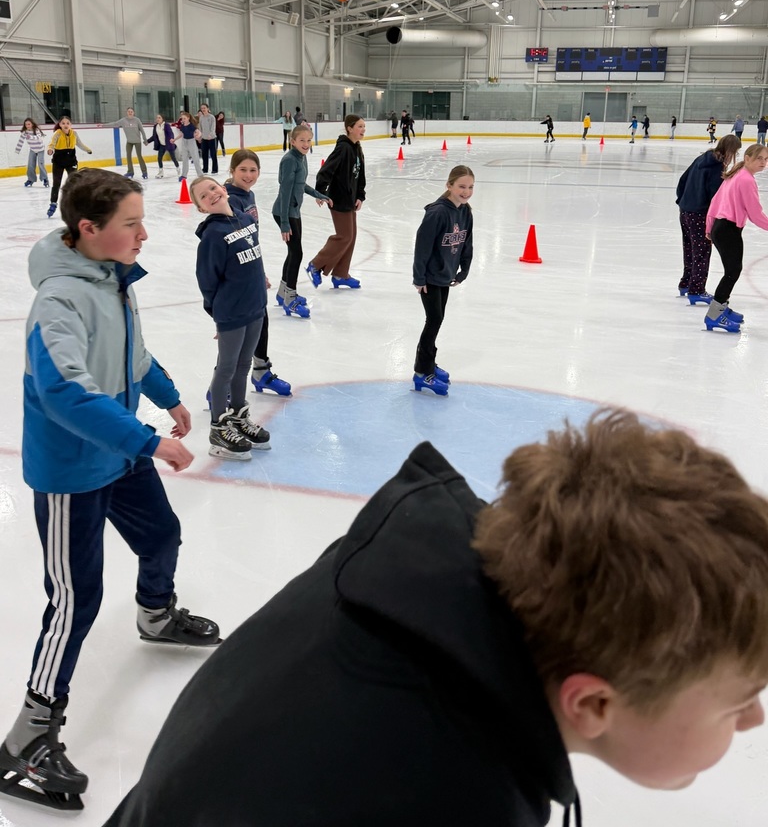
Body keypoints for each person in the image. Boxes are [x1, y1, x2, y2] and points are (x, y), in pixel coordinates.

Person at [102, 408, 768, 827]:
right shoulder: (447, 796)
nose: (754, 719)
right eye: (739, 701)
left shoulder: (400, 581)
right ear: (592, 703)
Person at [0, 169, 221, 814]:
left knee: (162, 536)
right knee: (75, 599)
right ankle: (26, 740)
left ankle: (155, 614)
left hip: (120, 449)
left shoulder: (109, 279)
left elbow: (133, 358)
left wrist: (169, 398)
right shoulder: (58, 303)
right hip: (74, 468)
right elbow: (64, 392)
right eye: (131, 223)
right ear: (89, 230)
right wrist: (149, 441)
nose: (144, 234)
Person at [190, 175, 271, 459]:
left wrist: (261, 283)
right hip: (232, 314)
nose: (211, 194)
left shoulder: (245, 220)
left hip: (256, 308)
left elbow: (254, 258)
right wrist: (218, 315)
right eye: (203, 196)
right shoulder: (212, 236)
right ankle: (218, 426)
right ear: (201, 208)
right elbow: (207, 281)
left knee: (244, 365)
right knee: (226, 368)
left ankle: (238, 415)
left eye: (212, 188)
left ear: (223, 189)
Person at [225, 150, 291, 397]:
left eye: (253, 170)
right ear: (232, 170)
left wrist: (258, 271)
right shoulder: (230, 199)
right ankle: (221, 388)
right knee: (237, 333)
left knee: (260, 323)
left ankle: (260, 371)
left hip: (251, 268)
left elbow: (250, 238)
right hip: (237, 275)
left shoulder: (247, 194)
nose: (249, 175)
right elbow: (231, 242)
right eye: (243, 170)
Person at [412, 165, 474, 396]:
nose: (466, 192)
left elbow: (467, 242)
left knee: (437, 320)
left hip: (446, 275)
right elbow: (422, 247)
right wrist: (419, 277)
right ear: (449, 185)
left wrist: (464, 269)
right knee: (434, 320)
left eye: (470, 187)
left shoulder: (465, 211)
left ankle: (428, 366)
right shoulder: (437, 213)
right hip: (430, 277)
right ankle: (421, 373)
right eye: (461, 187)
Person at [704, 143, 768, 332]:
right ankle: (714, 315)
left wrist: (710, 228)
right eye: (759, 158)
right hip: (727, 230)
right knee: (733, 272)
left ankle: (721, 307)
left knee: (732, 270)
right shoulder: (746, 179)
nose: (763, 163)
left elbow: (715, 201)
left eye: (766, 159)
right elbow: (756, 215)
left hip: (720, 228)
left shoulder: (736, 174)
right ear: (747, 158)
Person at [273, 125, 332, 318]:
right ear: (293, 141)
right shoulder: (290, 160)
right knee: (296, 254)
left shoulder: (301, 158)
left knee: (293, 253)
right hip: (286, 212)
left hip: (293, 212)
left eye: (309, 140)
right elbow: (285, 191)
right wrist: (284, 222)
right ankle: (290, 299)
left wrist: (318, 194)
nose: (306, 144)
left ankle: (283, 293)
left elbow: (301, 184)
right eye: (302, 141)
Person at [676, 134, 741, 305]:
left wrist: (682, 201)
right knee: (702, 251)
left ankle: (686, 283)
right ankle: (696, 289)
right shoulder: (717, 167)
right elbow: (716, 196)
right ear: (730, 150)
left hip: (685, 210)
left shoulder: (701, 158)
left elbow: (682, 180)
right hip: (699, 214)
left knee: (689, 248)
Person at [306, 114, 366, 290]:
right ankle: (315, 265)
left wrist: (360, 195)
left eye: (364, 127)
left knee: (351, 236)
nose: (363, 130)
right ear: (349, 128)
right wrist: (320, 192)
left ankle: (340, 274)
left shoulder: (357, 148)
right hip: (338, 198)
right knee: (344, 236)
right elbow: (325, 171)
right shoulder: (343, 148)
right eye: (360, 127)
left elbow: (360, 175)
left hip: (350, 199)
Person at [46, 116, 92, 219]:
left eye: (67, 123)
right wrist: (50, 150)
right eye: (63, 123)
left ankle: (76, 205)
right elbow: (52, 143)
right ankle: (53, 203)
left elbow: (79, 144)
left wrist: (87, 150)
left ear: (70, 125)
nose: (65, 125)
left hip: (71, 160)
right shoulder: (57, 133)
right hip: (58, 161)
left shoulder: (74, 133)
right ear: (60, 125)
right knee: (56, 183)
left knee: (74, 183)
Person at [112, 107, 149, 180]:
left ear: (133, 112)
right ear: (127, 112)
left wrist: (145, 140)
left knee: (139, 156)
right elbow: (115, 123)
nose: (130, 112)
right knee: (128, 156)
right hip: (129, 142)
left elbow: (142, 130)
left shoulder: (137, 120)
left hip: (137, 141)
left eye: (131, 111)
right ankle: (130, 172)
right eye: (129, 111)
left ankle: (144, 172)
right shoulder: (123, 120)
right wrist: (103, 125)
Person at [16, 117, 48, 188]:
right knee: (30, 165)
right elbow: (21, 141)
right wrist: (18, 150)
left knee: (41, 164)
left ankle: (45, 179)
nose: (27, 126)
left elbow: (39, 138)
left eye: (29, 124)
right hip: (32, 150)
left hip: (40, 149)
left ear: (32, 124)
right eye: (26, 124)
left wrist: (30, 137)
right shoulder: (25, 132)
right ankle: (31, 179)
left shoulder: (36, 130)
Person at [173, 112, 203, 180]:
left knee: (195, 159)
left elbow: (198, 132)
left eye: (184, 118)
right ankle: (184, 175)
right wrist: (174, 139)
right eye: (182, 118)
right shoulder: (182, 125)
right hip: (184, 142)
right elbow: (182, 134)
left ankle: (200, 175)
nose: (183, 120)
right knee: (184, 159)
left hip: (191, 142)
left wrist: (198, 137)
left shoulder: (192, 126)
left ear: (188, 118)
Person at [149, 114, 179, 179]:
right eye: (157, 118)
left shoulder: (166, 125)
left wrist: (171, 138)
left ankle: (178, 170)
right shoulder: (155, 126)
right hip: (162, 145)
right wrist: (147, 141)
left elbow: (171, 133)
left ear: (162, 119)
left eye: (159, 118)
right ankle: (161, 172)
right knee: (159, 158)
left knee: (173, 158)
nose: (158, 119)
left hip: (169, 144)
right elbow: (154, 136)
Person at [197, 103, 218, 175]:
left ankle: (215, 169)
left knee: (213, 154)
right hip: (204, 139)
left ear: (208, 108)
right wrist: (200, 136)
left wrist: (210, 134)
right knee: (204, 154)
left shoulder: (212, 117)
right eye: (202, 108)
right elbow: (200, 128)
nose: (203, 109)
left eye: (204, 108)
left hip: (211, 138)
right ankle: (205, 169)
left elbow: (213, 127)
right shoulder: (201, 117)